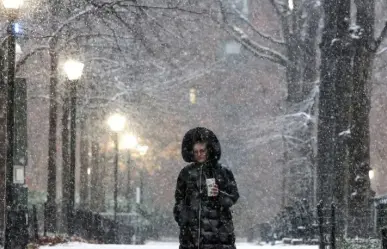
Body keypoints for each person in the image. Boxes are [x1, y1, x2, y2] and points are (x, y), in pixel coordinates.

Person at [173, 127, 240, 249]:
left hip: (219, 236)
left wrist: (219, 195)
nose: (199, 154)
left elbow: (233, 197)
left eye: (202, 151)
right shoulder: (186, 173)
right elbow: (179, 200)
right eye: (196, 151)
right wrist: (183, 217)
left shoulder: (223, 172)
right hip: (191, 237)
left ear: (208, 150)